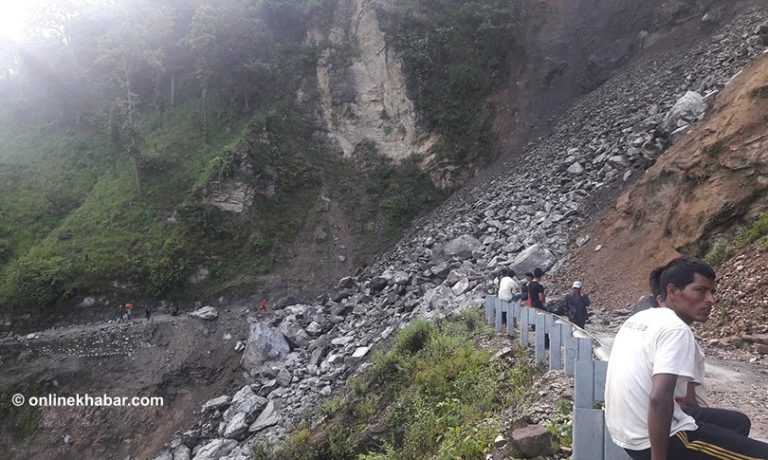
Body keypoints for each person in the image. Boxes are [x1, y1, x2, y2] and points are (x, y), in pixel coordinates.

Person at [605, 256, 768, 460]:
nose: (711, 300)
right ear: (673, 292)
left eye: (712, 292)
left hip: (624, 431)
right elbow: (659, 398)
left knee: (738, 422)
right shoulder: (676, 329)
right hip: (656, 439)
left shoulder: (640, 318)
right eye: (700, 291)